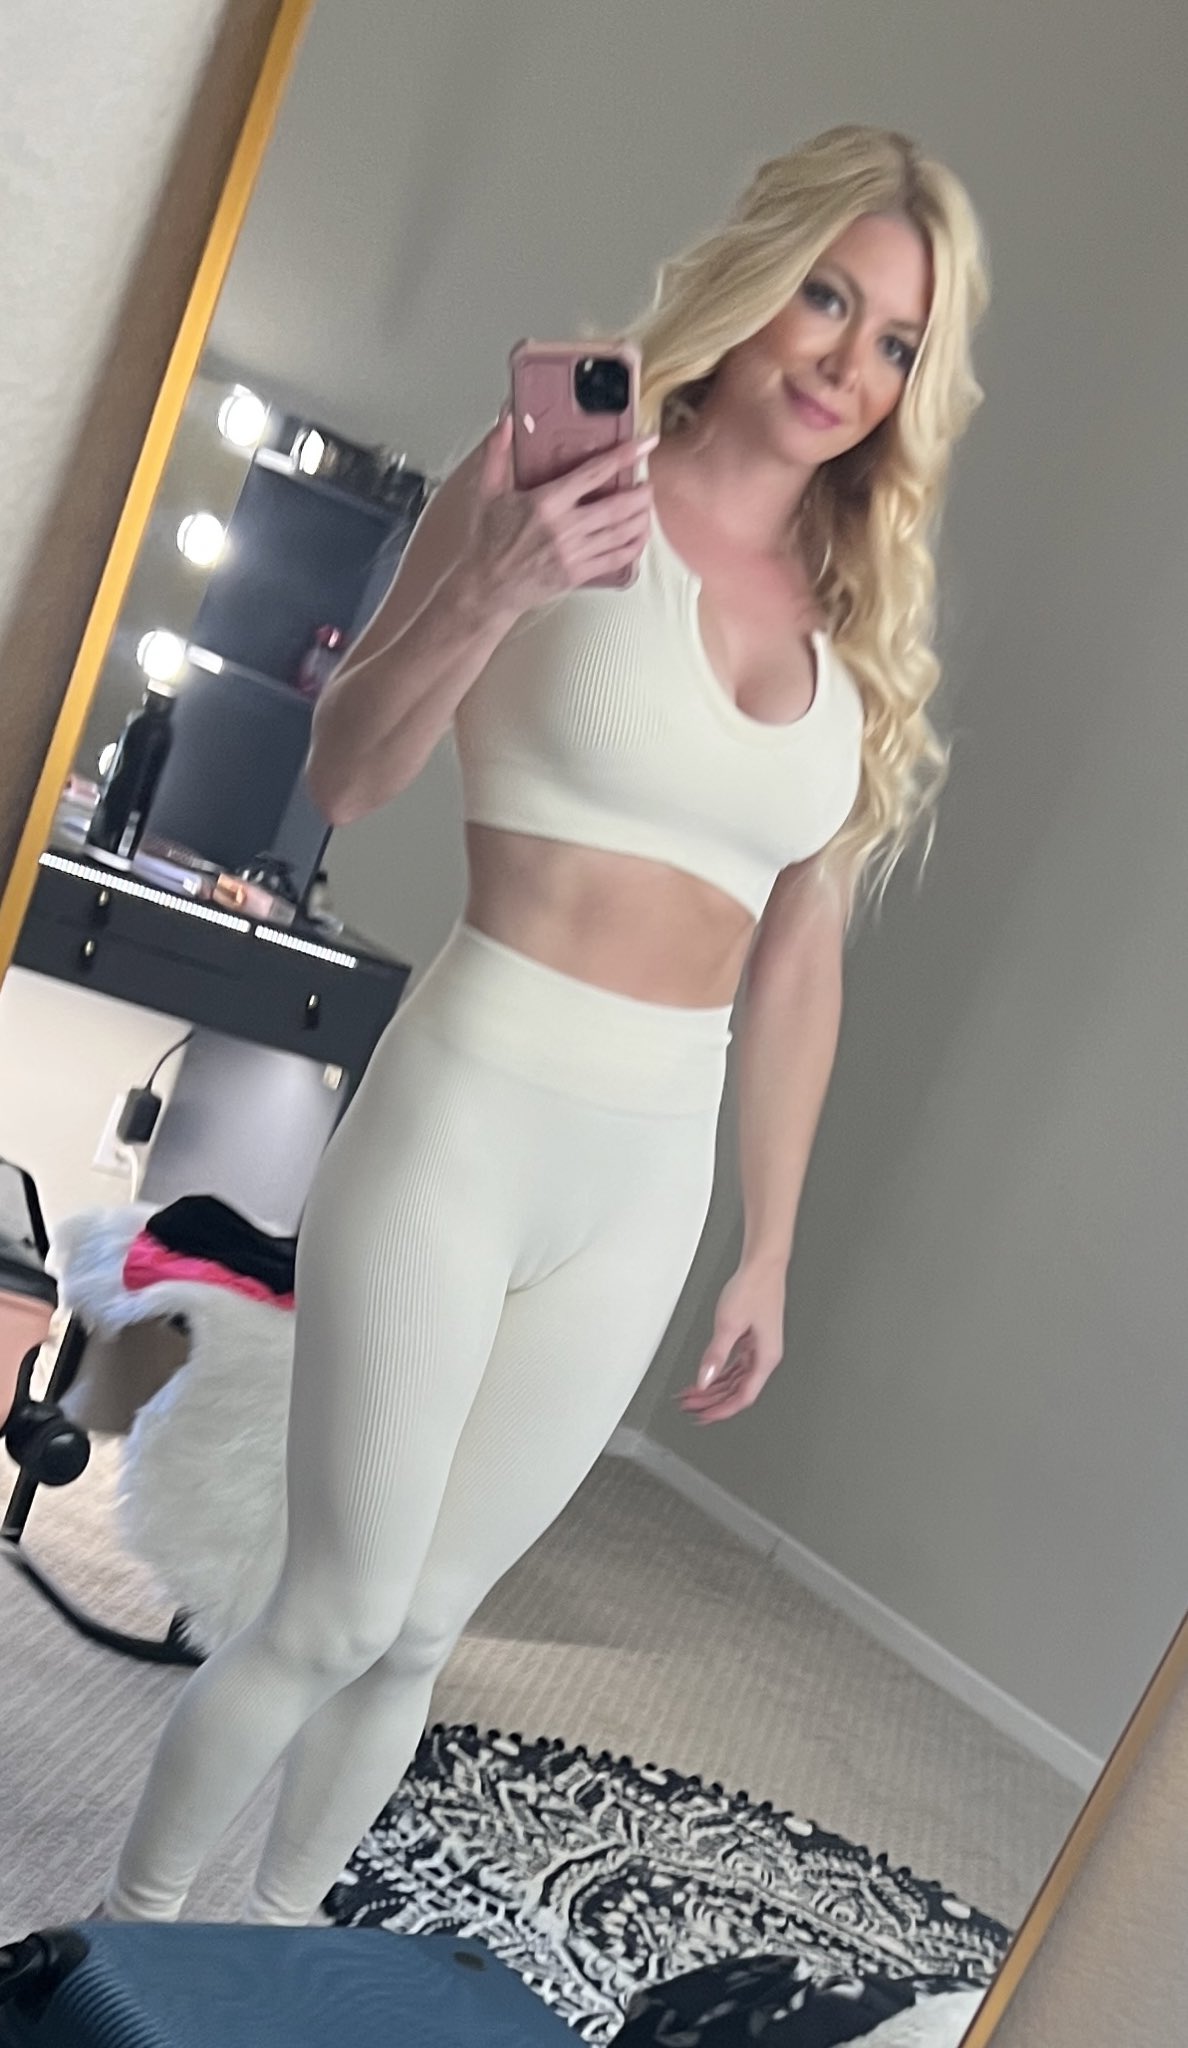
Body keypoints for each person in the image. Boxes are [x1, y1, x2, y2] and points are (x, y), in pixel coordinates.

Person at [99, 124, 988, 1927]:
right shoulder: (549, 484)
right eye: (828, 299)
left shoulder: (858, 616)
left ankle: (263, 1961)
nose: (849, 363)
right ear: (757, 279)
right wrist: (501, 579)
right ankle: (113, 1947)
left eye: (898, 340)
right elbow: (349, 773)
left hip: (651, 1165)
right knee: (336, 1608)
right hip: (469, 1102)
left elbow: (799, 958)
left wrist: (770, 1246)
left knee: (427, 1627)